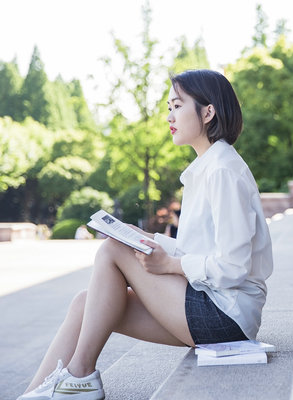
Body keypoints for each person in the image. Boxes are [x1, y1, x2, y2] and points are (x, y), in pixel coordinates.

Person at [18, 69, 274, 400]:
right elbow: (201, 248)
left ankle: (80, 376)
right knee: (85, 304)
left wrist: (170, 265)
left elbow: (234, 265)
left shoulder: (223, 171)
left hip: (226, 315)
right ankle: (34, 393)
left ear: (208, 112)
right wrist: (149, 238)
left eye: (178, 106)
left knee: (111, 251)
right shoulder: (208, 167)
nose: (170, 116)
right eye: (169, 107)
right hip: (210, 305)